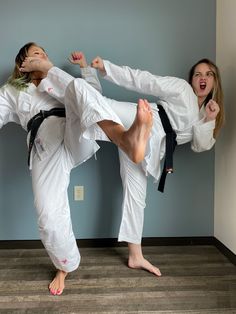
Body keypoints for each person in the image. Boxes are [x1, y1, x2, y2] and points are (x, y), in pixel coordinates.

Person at [20, 51, 224, 291]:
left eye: (208, 74)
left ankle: (135, 256)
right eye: (198, 74)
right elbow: (143, 79)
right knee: (100, 105)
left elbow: (201, 145)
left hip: (149, 147)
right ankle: (51, 70)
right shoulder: (182, 90)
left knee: (136, 197)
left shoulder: (206, 113)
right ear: (191, 80)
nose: (202, 78)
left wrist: (209, 119)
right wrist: (106, 67)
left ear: (214, 82)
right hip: (145, 119)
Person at [0, 42, 153, 296]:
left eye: (44, 54)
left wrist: (51, 69)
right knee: (47, 216)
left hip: (75, 128)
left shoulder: (61, 80)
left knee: (77, 87)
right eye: (36, 54)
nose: (42, 56)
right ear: (22, 64)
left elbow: (91, 96)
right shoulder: (11, 91)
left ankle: (126, 140)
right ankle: (65, 266)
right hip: (44, 144)